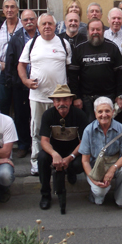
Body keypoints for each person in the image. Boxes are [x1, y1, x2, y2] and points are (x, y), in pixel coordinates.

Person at [18, 13, 71, 176]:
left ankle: (58, 161)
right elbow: (21, 65)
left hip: (59, 98)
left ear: (55, 26)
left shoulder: (64, 43)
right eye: (44, 24)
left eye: (50, 23)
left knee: (60, 131)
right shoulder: (32, 44)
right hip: (37, 96)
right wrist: (25, 81)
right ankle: (36, 162)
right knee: (36, 130)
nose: (47, 26)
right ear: (38, 27)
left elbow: (69, 68)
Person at [38, 84, 89, 214]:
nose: (62, 103)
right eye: (58, 100)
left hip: (73, 150)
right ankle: (45, 194)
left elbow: (84, 142)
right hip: (54, 150)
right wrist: (54, 154)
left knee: (79, 164)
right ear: (54, 102)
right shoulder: (47, 115)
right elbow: (44, 141)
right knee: (42, 158)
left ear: (71, 101)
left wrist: (70, 158)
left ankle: (70, 171)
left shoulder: (80, 115)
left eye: (65, 99)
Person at [69, 19, 122, 122]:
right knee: (90, 128)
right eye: (92, 29)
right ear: (88, 31)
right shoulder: (79, 49)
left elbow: (121, 74)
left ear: (103, 31)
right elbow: (73, 76)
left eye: (98, 29)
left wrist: (120, 95)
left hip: (109, 97)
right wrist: (76, 97)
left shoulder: (112, 47)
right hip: (86, 99)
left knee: (108, 126)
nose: (95, 32)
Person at [79, 97, 122, 208]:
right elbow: (85, 161)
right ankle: (96, 195)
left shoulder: (121, 128)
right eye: (100, 111)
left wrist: (113, 169)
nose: (104, 115)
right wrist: (93, 179)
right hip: (96, 167)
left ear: (113, 112)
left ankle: (120, 199)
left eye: (107, 111)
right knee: (100, 193)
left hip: (114, 164)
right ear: (95, 113)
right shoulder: (88, 130)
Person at [5, 10, 39, 158]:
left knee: (37, 116)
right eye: (25, 20)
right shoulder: (16, 38)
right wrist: (12, 81)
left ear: (36, 20)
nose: (29, 22)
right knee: (21, 115)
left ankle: (37, 144)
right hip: (20, 84)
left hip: (39, 84)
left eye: (32, 19)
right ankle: (24, 144)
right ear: (21, 21)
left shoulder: (43, 35)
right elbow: (10, 61)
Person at [0, 0, 23, 117]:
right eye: (7, 7)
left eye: (12, 7)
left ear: (17, 10)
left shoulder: (23, 26)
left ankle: (20, 135)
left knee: (20, 107)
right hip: (4, 72)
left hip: (20, 72)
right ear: (3, 10)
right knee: (3, 104)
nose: (9, 9)